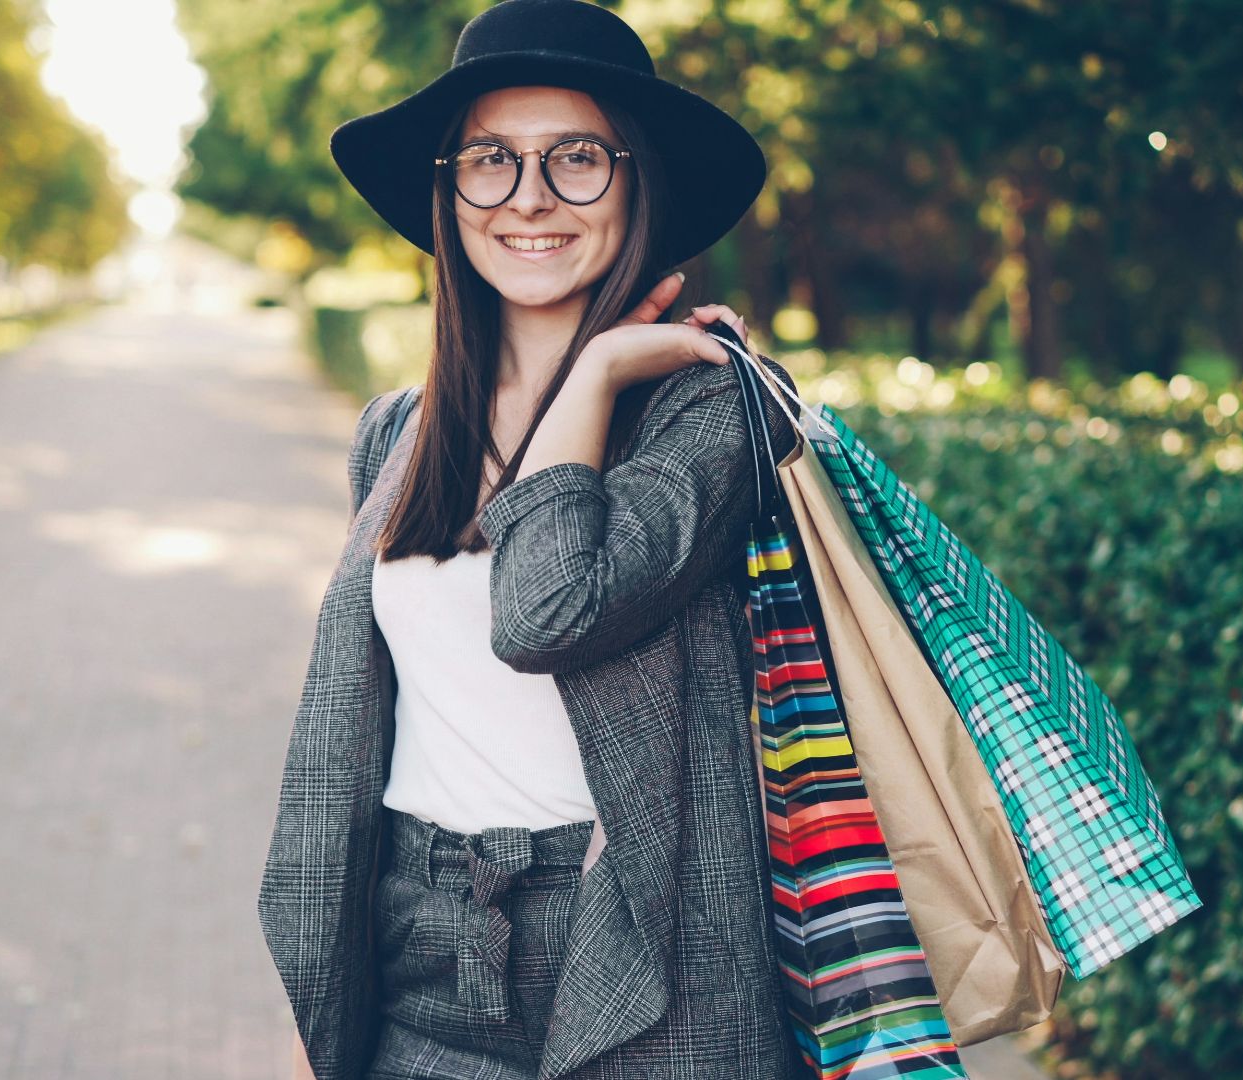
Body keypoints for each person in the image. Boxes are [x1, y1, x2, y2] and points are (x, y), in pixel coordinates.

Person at [257, 2, 804, 1077]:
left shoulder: (707, 415)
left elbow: (546, 609)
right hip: (423, 952)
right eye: (491, 160)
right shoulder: (397, 436)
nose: (531, 197)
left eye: (578, 160)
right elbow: (364, 734)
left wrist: (597, 370)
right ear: (450, 189)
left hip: (644, 952)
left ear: (638, 181)